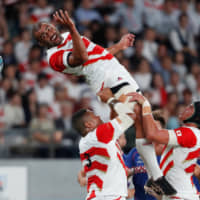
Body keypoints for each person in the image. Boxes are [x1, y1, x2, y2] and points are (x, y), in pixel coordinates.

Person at [33, 10, 176, 195]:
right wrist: (73, 27)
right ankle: (156, 175)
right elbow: (82, 58)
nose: (48, 33)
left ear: (52, 25)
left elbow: (97, 56)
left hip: (114, 72)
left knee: (139, 118)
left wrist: (118, 46)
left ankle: (154, 178)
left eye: (47, 28)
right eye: (42, 35)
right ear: (41, 43)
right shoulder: (54, 57)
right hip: (108, 80)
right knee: (138, 113)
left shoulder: (68, 35)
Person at [127, 92, 200, 200]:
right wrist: (139, 121)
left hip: (182, 196)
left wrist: (146, 106)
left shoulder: (189, 133)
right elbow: (147, 148)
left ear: (197, 116)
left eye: (190, 108)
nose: (185, 108)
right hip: (177, 195)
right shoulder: (189, 134)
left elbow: (152, 134)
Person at [72, 88, 136, 200]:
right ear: (88, 125)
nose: (98, 116)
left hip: (101, 195)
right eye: (94, 116)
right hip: (109, 196)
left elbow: (113, 125)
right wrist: (111, 100)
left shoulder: (88, 140)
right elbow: (130, 116)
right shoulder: (98, 135)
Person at [123, 111, 166, 200]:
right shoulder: (136, 152)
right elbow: (123, 173)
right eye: (150, 128)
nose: (153, 132)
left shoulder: (170, 153)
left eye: (156, 129)